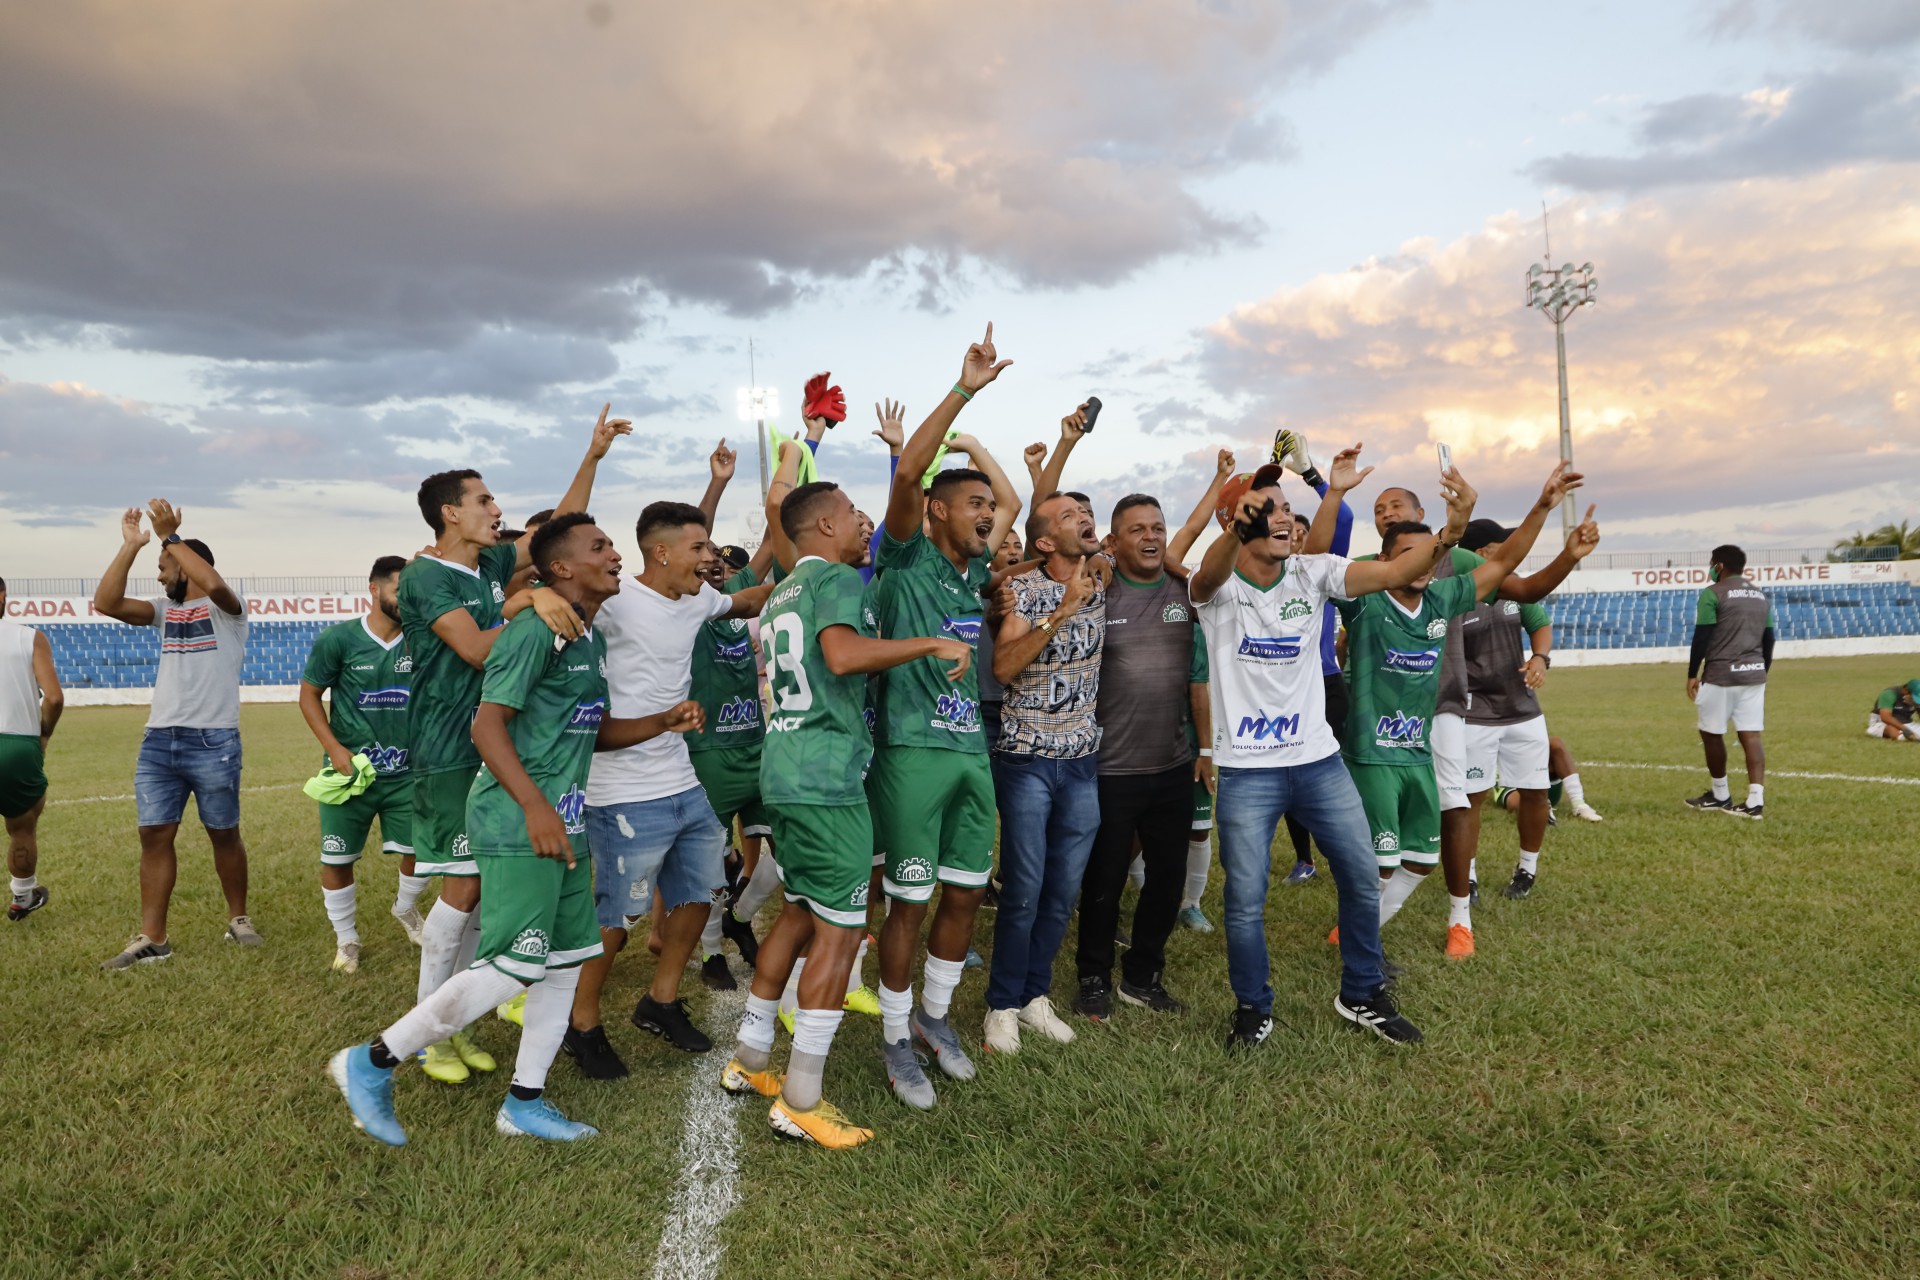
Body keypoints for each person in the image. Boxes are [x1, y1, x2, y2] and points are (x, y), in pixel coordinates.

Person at [329, 514, 703, 1146]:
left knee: (564, 964)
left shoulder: (585, 635)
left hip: (565, 818)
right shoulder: (535, 630)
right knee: (511, 966)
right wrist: (535, 808)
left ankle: (524, 1102)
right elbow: (487, 725)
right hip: (519, 820)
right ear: (560, 569)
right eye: (601, 547)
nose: (616, 555)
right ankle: (370, 1062)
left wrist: (661, 721)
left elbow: (590, 728)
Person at [1192, 446, 1489, 1049]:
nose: (1280, 516)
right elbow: (1205, 575)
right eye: (1264, 509)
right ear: (1237, 522)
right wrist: (1233, 530)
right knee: (1245, 900)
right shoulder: (1217, 590)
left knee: (1359, 879)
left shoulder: (1313, 572)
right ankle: (1253, 1007)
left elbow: (1395, 573)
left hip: (1319, 761)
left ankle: (1361, 992)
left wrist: (1453, 531)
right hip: (1248, 772)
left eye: (1283, 507)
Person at [718, 474, 970, 1150]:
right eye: (855, 513)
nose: (867, 523)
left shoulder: (778, 595)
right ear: (824, 526)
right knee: (837, 933)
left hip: (786, 768)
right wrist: (929, 643)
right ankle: (802, 1099)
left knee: (798, 912)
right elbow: (842, 654)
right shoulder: (834, 581)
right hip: (828, 781)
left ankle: (748, 1059)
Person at [397, 405, 629, 1082]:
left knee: (484, 902)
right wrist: (534, 608)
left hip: (502, 738)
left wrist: (593, 455)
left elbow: (559, 536)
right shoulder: (426, 575)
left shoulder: (495, 561)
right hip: (452, 744)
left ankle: (457, 1021)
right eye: (483, 499)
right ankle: (427, 1038)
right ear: (448, 514)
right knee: (461, 894)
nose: (495, 509)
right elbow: (472, 649)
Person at [565, 500, 774, 1080]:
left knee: (700, 893)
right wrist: (530, 595)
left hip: (680, 777)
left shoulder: (699, 599)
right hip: (622, 788)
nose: (710, 559)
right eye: (699, 549)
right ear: (662, 553)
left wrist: (806, 575)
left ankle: (659, 1001)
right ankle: (580, 1023)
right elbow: (548, 597)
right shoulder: (615, 602)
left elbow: (747, 599)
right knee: (617, 916)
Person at [1336, 470, 1577, 960]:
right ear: (1383, 555)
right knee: (1379, 848)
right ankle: (1363, 924)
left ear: (1428, 520)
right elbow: (1314, 563)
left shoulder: (1451, 576)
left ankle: (1459, 919)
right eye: (1379, 509)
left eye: (1397, 505)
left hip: (1442, 714)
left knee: (1449, 817)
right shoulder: (1362, 580)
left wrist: (1544, 507)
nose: (1388, 512)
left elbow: (1517, 575)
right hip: (1375, 733)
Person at [865, 350, 1021, 1110]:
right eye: (973, 505)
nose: (989, 516)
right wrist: (962, 392)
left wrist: (990, 475)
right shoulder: (901, 559)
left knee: (963, 897)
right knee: (910, 902)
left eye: (989, 507)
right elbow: (905, 479)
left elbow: (1015, 508)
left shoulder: (970, 574)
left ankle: (932, 1019)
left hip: (969, 751)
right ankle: (895, 1036)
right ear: (936, 513)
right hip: (910, 751)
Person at [92, 501, 254, 969]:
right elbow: (105, 603)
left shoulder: (230, 611)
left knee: (224, 834)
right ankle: (154, 938)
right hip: (159, 739)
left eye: (164, 568)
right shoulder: (164, 612)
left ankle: (238, 919)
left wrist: (171, 540)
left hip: (214, 738)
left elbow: (215, 585)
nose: (160, 577)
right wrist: (132, 545)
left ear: (186, 565)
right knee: (154, 835)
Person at [1072, 491, 1211, 1022]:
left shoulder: (1187, 591)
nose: (1151, 536)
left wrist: (1204, 749)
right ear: (1114, 540)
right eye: (1138, 530)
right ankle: (1092, 977)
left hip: (1172, 765)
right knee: (1104, 880)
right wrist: (1098, 562)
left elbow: (1198, 679)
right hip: (1109, 768)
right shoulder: (1097, 589)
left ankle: (1143, 975)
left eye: (1158, 527)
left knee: (1168, 878)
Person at [986, 473, 1105, 1056]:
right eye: (1066, 516)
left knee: (1063, 890)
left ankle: (1035, 996)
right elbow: (1005, 667)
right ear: (1044, 543)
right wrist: (1060, 613)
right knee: (1025, 888)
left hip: (1082, 761)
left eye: (1083, 510)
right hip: (1027, 759)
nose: (1082, 515)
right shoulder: (1025, 592)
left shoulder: (1103, 579)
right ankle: (1001, 1006)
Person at [298, 556, 425, 973]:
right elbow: (309, 695)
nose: (406, 599)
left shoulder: (422, 639)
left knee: (420, 854)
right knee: (336, 859)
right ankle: (347, 939)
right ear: (374, 588)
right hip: (350, 775)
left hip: (408, 774)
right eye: (398, 590)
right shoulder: (339, 639)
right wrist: (335, 749)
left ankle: (406, 909)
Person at [1456, 519, 1559, 903]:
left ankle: (1527, 869)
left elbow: (1540, 625)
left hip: (1522, 710)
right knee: (1471, 798)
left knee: (1536, 792)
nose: (1513, 551)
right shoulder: (1457, 594)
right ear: (1480, 553)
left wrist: (1540, 657)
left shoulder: (1513, 587)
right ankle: (1466, 877)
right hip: (1472, 714)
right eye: (1504, 544)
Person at [1268, 433, 1355, 889]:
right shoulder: (1261, 575)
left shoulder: (1318, 571)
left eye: (1304, 534)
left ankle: (1343, 852)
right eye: (1289, 532)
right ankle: (1304, 857)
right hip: (1280, 688)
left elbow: (1345, 515)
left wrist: (1312, 475)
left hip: (1325, 683)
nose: (1297, 540)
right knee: (1284, 773)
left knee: (1327, 773)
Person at [1166, 449, 1236, 930]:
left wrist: (1220, 479)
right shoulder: (1110, 583)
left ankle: (1190, 902)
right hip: (1139, 727)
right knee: (1138, 825)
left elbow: (1190, 532)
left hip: (1198, 729)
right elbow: (1185, 535)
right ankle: (1142, 882)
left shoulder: (1193, 587)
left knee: (1198, 823)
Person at [1684, 544, 1773, 820]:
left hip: (1721, 674)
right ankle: (1755, 801)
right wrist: (1762, 670)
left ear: (1719, 565)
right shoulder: (1759, 595)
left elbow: (1703, 636)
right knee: (1751, 734)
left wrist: (1691, 673)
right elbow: (1769, 638)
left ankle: (1720, 794)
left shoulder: (1713, 594)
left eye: (1712, 563)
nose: (1711, 567)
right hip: (1755, 673)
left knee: (1711, 732)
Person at [1, 575, 62, 921]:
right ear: (3, 596)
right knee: (22, 827)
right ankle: (22, 897)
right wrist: (43, 736)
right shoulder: (29, 637)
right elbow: (53, 697)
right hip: (16, 744)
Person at [1490, 735, 1604, 822]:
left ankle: (1579, 804)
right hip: (1511, 775)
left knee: (1555, 742)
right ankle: (1541, 807)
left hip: (1543, 778)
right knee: (1512, 797)